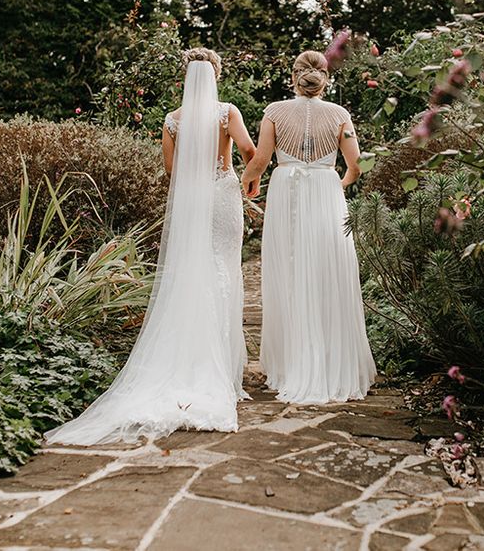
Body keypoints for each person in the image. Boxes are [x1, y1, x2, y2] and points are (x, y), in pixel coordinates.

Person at [45, 47, 255, 445]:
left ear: (186, 78)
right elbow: (247, 150)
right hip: (222, 195)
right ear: (215, 76)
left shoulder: (172, 120)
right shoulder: (227, 112)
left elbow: (171, 169)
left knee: (191, 270)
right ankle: (222, 369)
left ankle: (190, 358)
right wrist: (236, 169)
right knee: (224, 268)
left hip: (190, 198)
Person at [241, 50, 376, 404]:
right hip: (324, 190)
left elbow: (261, 160)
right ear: (325, 79)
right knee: (325, 268)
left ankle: (289, 363)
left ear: (294, 76)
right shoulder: (339, 115)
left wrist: (247, 182)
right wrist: (339, 183)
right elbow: (357, 165)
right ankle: (328, 359)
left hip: (287, 190)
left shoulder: (274, 111)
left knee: (287, 269)